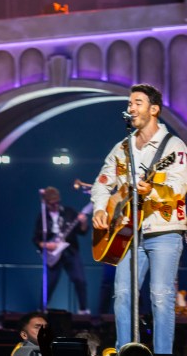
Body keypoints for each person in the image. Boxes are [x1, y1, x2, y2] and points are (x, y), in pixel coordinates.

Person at [91, 83, 187, 355]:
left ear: (154, 109)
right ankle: (125, 350)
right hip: (127, 234)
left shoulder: (174, 146)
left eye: (137, 103)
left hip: (164, 229)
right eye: (130, 103)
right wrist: (100, 208)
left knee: (160, 296)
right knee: (122, 294)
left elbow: (180, 186)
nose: (131, 108)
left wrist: (152, 190)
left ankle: (163, 353)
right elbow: (102, 182)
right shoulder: (123, 147)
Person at [33, 186, 90, 314]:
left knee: (80, 280)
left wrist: (83, 222)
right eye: (52, 203)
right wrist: (46, 245)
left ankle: (83, 310)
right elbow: (36, 239)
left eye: (57, 202)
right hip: (52, 255)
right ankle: (41, 310)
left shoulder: (69, 212)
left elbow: (82, 231)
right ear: (46, 203)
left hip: (70, 252)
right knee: (48, 284)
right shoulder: (43, 217)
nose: (56, 205)